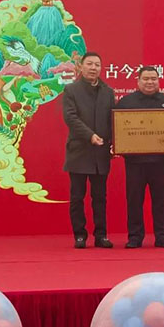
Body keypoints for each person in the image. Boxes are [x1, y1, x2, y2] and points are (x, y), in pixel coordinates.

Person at [115, 66, 164, 249]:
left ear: (158, 80)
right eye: (145, 79)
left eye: (153, 78)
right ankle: (135, 237)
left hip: (160, 161)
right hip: (134, 162)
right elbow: (116, 128)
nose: (150, 82)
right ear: (138, 81)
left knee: (161, 200)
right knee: (134, 200)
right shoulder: (125, 103)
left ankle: (162, 236)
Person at [62, 51, 115, 249]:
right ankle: (79, 235)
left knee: (100, 197)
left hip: (101, 153)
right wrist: (90, 135)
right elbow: (70, 117)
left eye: (97, 65)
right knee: (77, 197)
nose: (93, 68)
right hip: (79, 151)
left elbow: (113, 120)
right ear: (81, 67)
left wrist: (116, 143)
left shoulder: (108, 92)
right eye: (90, 64)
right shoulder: (71, 90)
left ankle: (101, 235)